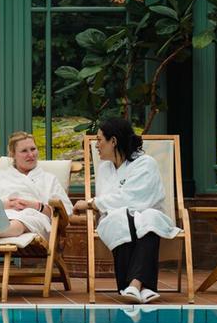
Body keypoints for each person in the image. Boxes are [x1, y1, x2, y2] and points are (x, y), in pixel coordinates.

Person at [73, 118, 180, 304]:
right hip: (118, 219)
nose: (96, 145)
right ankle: (144, 287)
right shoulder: (105, 168)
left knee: (148, 220)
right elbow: (112, 201)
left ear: (113, 141)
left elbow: (133, 199)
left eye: (99, 140)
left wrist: (90, 203)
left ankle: (134, 284)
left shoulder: (146, 164)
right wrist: (103, 204)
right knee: (119, 219)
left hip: (147, 215)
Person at [0, 131, 73, 242]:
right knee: (6, 217)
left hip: (35, 216)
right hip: (6, 214)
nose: (31, 155)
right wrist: (6, 205)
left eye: (33, 149)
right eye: (24, 151)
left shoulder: (49, 179)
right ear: (13, 155)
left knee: (25, 219)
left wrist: (36, 206)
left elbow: (66, 212)